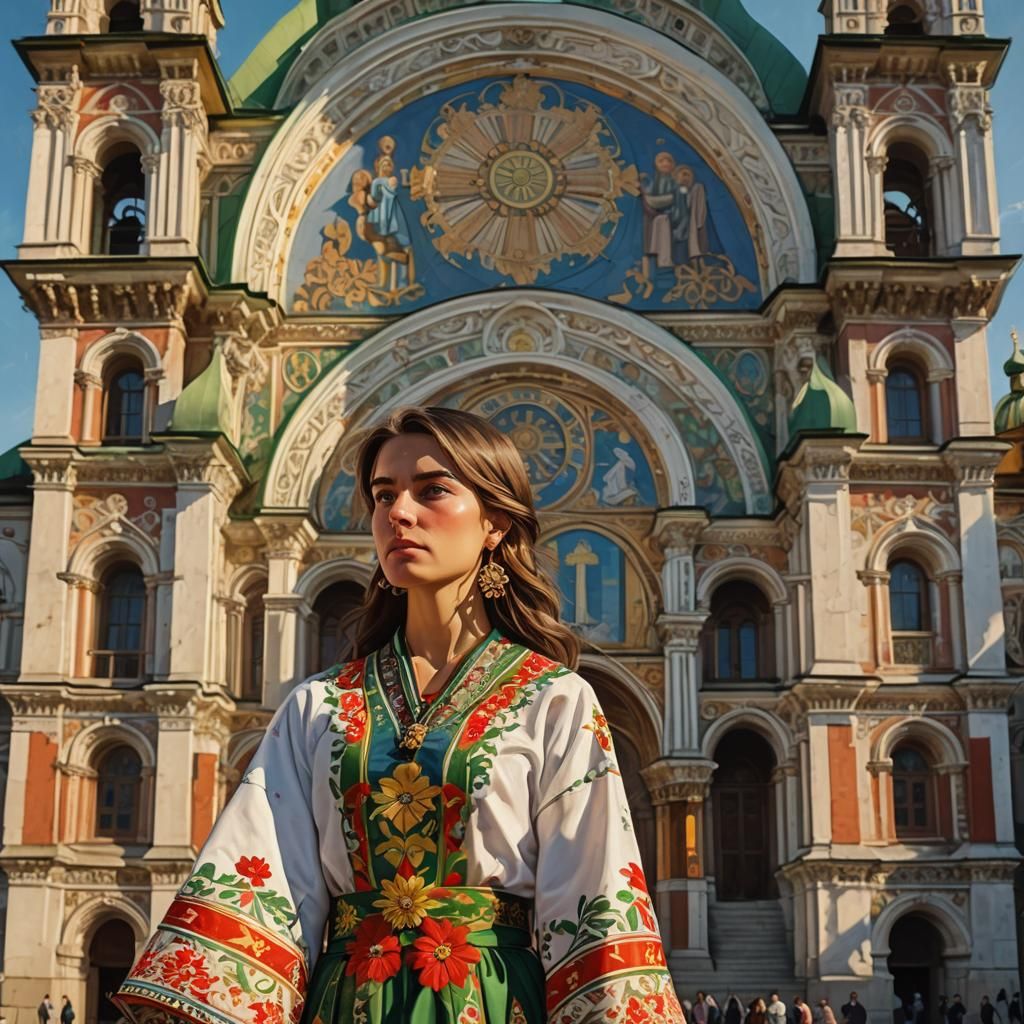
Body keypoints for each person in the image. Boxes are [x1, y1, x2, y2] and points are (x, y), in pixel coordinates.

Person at [113, 406, 687, 1024]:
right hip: (346, 1002)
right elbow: (268, 884)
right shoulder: (319, 705)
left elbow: (592, 889)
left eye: (432, 490)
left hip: (493, 1004)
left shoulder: (553, 698)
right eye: (384, 496)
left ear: (495, 523)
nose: (399, 514)